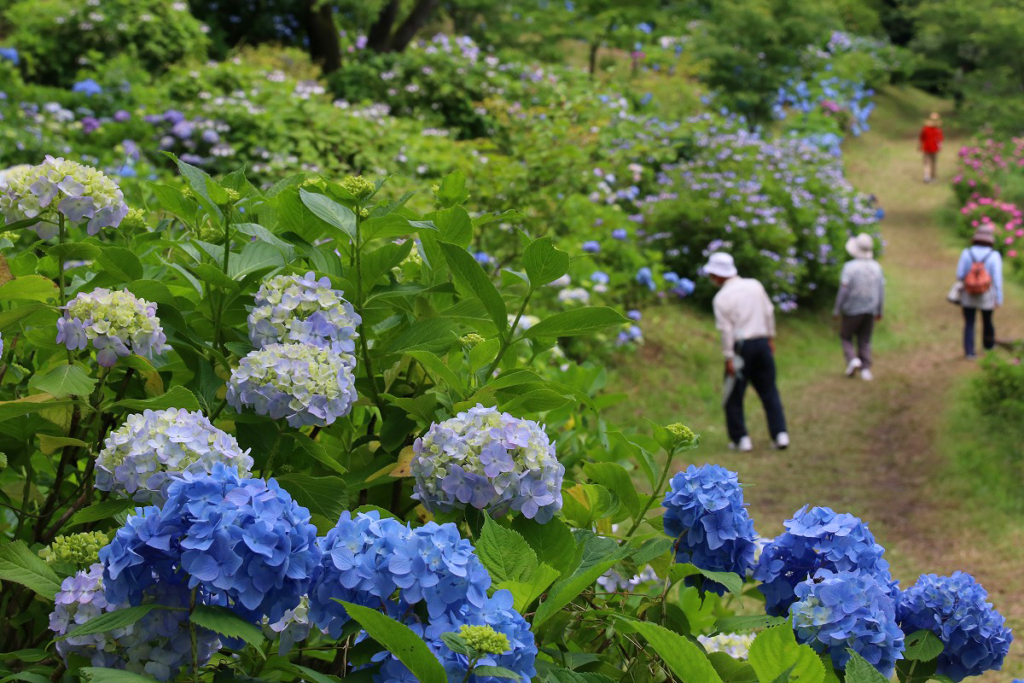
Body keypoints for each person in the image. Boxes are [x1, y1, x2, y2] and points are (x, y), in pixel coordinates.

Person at [705, 252, 789, 452]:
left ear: (717, 275)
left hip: (741, 348)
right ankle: (780, 434)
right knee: (769, 390)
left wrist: (728, 357)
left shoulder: (721, 298)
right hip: (762, 343)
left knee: (733, 394)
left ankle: (741, 438)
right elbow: (769, 311)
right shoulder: (755, 285)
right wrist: (770, 336)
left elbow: (726, 330)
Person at [833, 233, 885, 380]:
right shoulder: (876, 267)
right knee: (865, 339)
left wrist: (837, 309)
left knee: (845, 335)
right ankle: (865, 369)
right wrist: (879, 310)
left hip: (852, 310)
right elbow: (881, 291)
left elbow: (843, 290)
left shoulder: (849, 268)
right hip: (870, 309)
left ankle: (852, 360)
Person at [957, 223, 1003, 359]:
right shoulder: (994, 255)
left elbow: (960, 274)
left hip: (968, 293)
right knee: (987, 320)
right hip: (987, 294)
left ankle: (970, 352)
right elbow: (997, 279)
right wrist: (999, 298)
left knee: (969, 322)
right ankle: (988, 346)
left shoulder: (967, 253)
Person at [918, 112, 944, 183]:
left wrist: (920, 145)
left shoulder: (927, 128)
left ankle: (928, 176)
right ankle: (930, 176)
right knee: (932, 162)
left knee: (928, 162)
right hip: (931, 147)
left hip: (928, 147)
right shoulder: (937, 129)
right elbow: (940, 139)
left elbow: (922, 137)